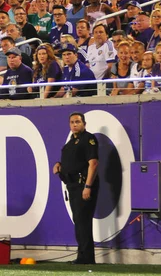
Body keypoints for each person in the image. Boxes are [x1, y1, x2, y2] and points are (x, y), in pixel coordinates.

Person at [53, 112, 99, 265]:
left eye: (78, 122)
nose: (74, 124)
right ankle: (83, 256)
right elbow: (72, 162)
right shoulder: (70, 143)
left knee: (83, 221)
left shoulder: (88, 139)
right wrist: (59, 166)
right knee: (79, 221)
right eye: (72, 122)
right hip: (72, 186)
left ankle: (86, 258)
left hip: (82, 184)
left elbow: (93, 164)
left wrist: (88, 186)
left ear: (84, 124)